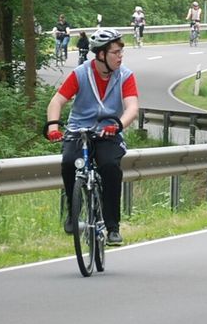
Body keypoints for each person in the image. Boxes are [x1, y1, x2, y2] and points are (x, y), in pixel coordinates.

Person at [45, 28, 139, 247]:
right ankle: (73, 211)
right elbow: (56, 101)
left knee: (109, 167)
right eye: (115, 52)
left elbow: (132, 108)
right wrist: (52, 127)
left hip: (109, 131)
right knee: (69, 163)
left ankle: (112, 227)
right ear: (100, 55)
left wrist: (118, 126)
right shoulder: (80, 73)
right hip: (79, 130)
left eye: (120, 52)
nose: (120, 56)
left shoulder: (125, 75)